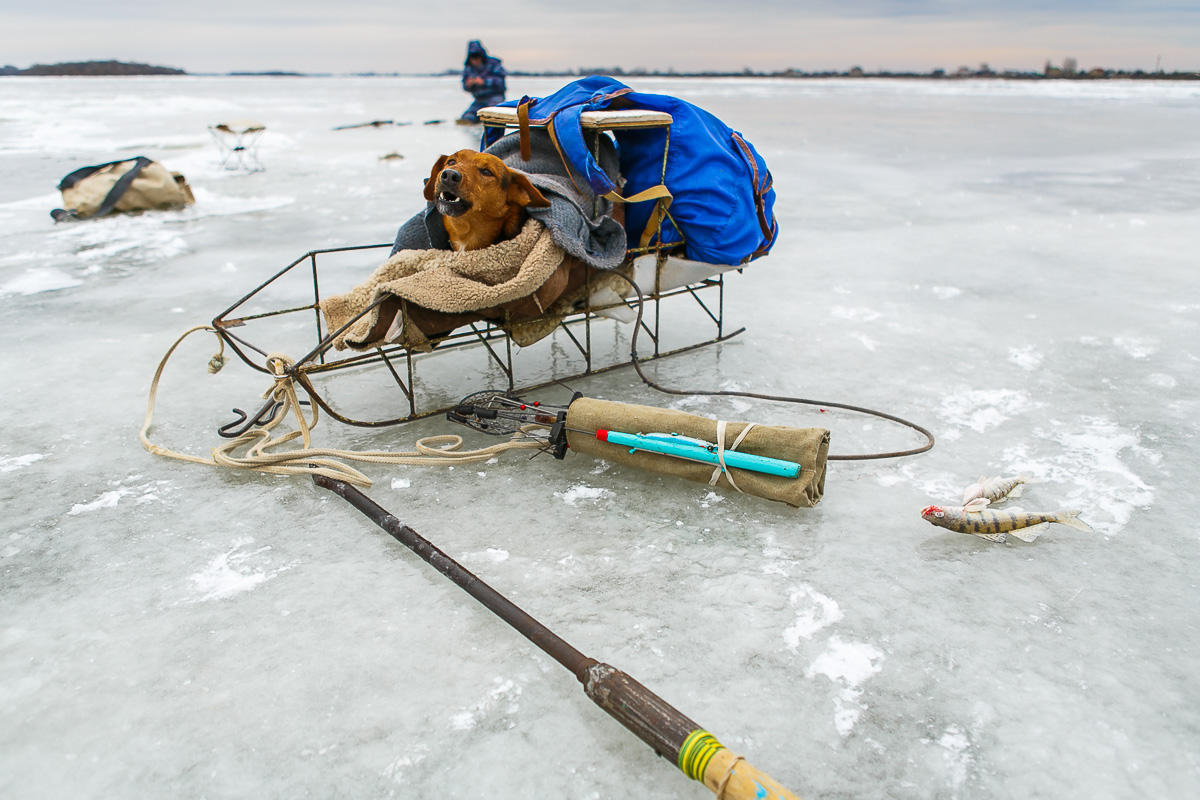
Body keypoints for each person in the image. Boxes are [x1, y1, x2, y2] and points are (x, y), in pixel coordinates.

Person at [459, 40, 507, 124]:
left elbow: (501, 83)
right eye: (473, 58)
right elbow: (464, 86)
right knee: (467, 117)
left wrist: (485, 82)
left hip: (495, 98)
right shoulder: (468, 68)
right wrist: (468, 84)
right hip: (479, 100)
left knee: (494, 116)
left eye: (477, 57)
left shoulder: (494, 64)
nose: (475, 61)